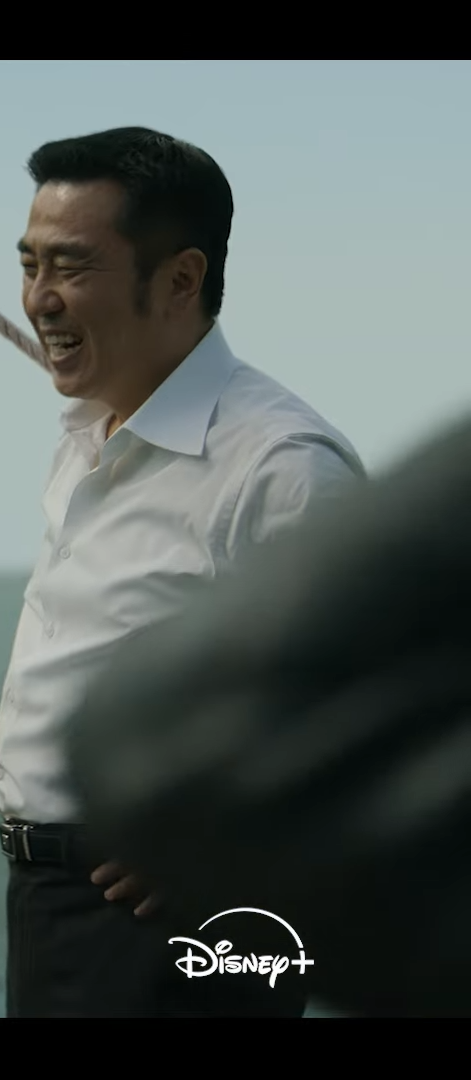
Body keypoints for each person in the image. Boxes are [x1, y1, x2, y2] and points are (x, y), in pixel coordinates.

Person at [0, 127, 365, 1017]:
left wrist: (227, 837)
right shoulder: (93, 427)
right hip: (56, 908)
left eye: (72, 267)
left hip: (174, 920)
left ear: (181, 279)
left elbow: (374, 695)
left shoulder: (279, 463)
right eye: (30, 265)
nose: (40, 298)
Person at [64, 407, 471, 1018]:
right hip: (88, 888)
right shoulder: (86, 444)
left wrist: (196, 854)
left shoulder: (286, 455)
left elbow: (154, 739)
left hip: (166, 894)